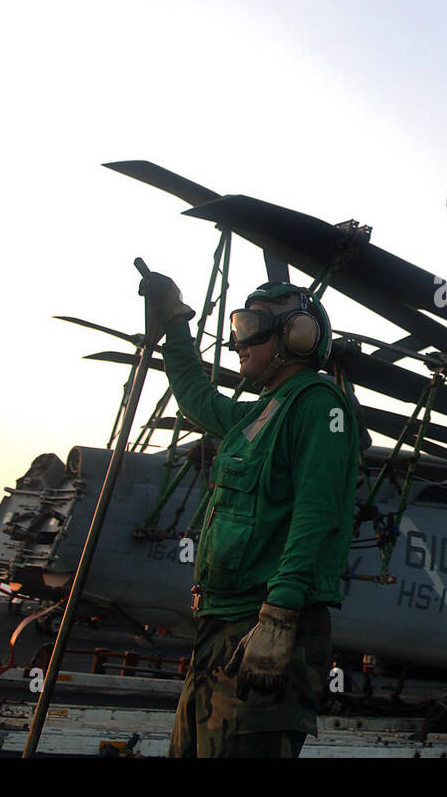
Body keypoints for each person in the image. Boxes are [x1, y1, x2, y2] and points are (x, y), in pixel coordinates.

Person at [140, 274, 360, 758]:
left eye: (251, 326)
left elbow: (316, 511)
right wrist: (175, 326)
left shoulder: (318, 405)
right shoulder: (259, 413)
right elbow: (197, 399)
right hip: (220, 629)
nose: (238, 341)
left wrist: (279, 616)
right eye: (237, 324)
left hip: (266, 626)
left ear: (296, 335)